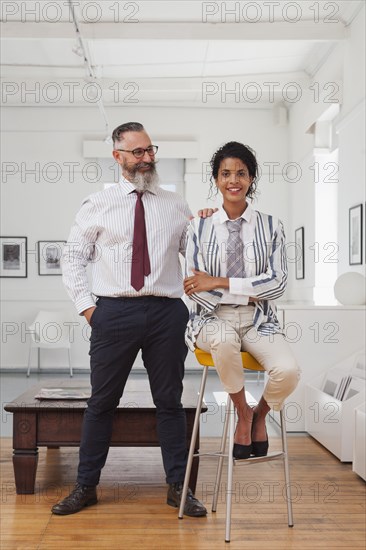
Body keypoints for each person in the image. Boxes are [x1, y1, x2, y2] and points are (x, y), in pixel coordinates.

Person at [52, 122, 207, 517]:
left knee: (169, 402)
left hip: (166, 314)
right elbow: (72, 259)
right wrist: (89, 309)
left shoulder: (176, 204)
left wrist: (207, 225)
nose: (147, 158)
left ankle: (179, 488)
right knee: (102, 403)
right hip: (113, 312)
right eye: (137, 152)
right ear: (117, 156)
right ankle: (85, 487)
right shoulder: (97, 204)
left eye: (150, 150)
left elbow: (198, 256)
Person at [184, 141, 300, 459]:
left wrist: (220, 280)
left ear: (251, 179)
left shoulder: (271, 226)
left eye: (241, 173)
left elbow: (278, 283)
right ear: (216, 180)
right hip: (212, 318)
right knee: (222, 341)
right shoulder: (199, 226)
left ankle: (260, 413)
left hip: (258, 319)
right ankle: (243, 413)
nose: (233, 180)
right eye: (225, 174)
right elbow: (196, 286)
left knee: (288, 371)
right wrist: (248, 286)